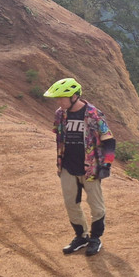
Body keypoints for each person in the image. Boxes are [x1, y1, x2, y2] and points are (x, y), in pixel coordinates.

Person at [44, 77, 115, 256]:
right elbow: (59, 136)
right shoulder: (60, 114)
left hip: (90, 168)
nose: (59, 102)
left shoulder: (93, 114)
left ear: (74, 96)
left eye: (61, 98)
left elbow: (109, 140)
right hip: (67, 166)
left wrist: (107, 164)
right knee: (71, 203)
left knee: (96, 206)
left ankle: (95, 238)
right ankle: (81, 236)